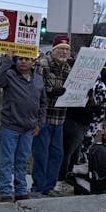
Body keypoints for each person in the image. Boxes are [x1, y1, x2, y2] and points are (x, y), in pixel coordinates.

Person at [0, 50, 46, 201]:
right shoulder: (9, 75)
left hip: (29, 128)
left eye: (27, 59)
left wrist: (39, 123)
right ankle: (5, 191)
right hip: (10, 126)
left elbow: (43, 103)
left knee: (22, 160)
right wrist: (7, 61)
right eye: (20, 58)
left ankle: (21, 189)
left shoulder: (39, 79)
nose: (23, 61)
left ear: (33, 61)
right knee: (7, 160)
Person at [31, 37, 70, 196]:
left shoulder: (68, 67)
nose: (64, 52)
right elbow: (35, 90)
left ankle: (49, 186)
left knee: (57, 153)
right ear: (54, 49)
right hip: (44, 117)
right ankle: (38, 186)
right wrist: (50, 92)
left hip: (60, 117)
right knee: (41, 153)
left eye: (66, 49)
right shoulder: (43, 64)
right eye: (61, 48)